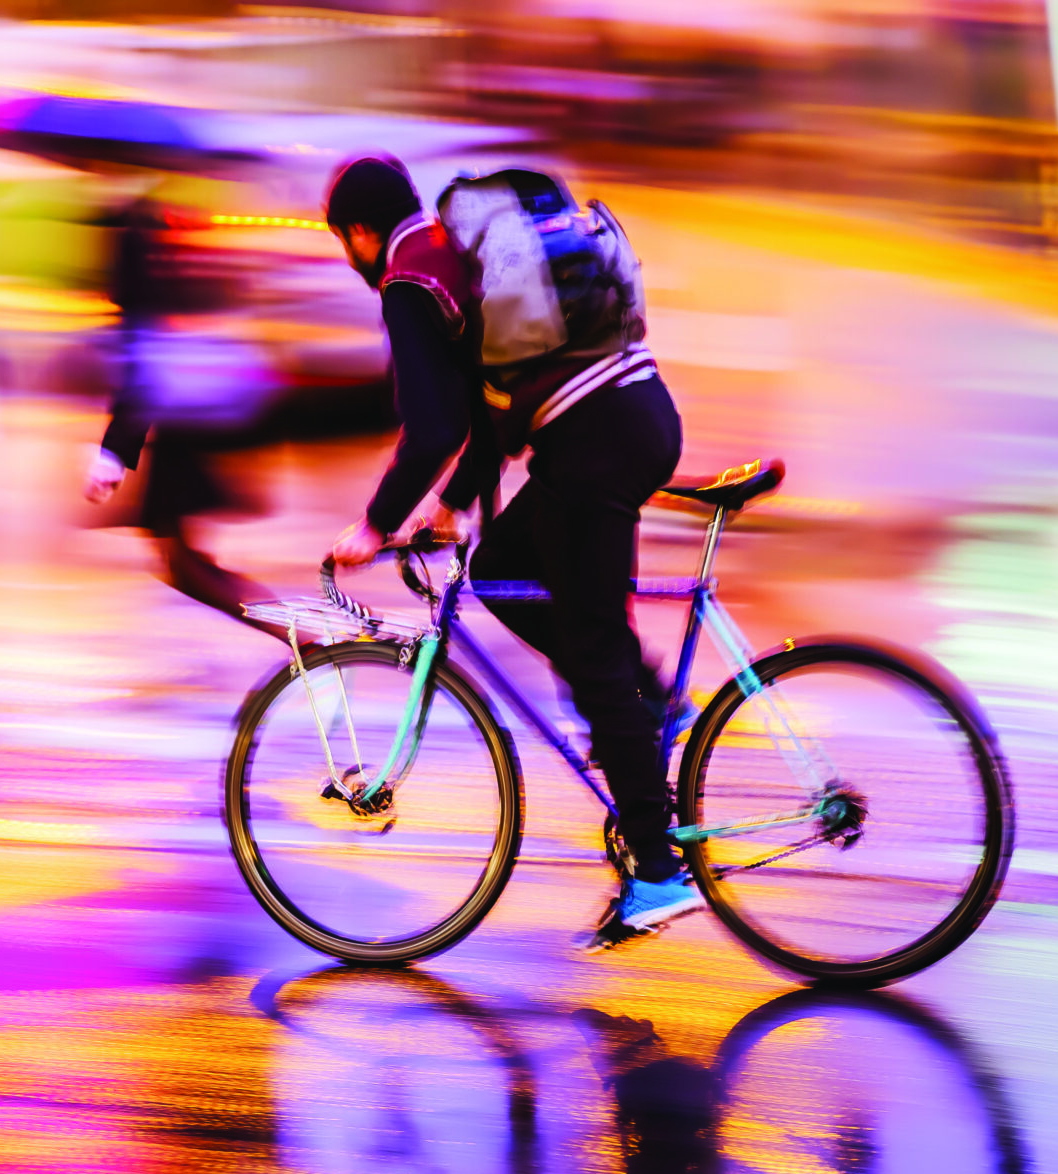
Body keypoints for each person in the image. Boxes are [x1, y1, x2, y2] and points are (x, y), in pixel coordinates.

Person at [322, 155, 697, 933]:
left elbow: (434, 426)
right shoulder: (458, 258)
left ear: (360, 234)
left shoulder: (408, 282)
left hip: (595, 440)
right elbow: (491, 412)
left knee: (594, 658)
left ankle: (659, 873)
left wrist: (375, 524)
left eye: (346, 245)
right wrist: (456, 506)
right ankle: (650, 708)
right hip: (630, 414)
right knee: (499, 569)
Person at [82, 194, 282, 640]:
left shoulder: (138, 285)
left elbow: (139, 382)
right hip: (189, 430)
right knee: (182, 562)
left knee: (183, 565)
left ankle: (295, 632)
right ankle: (290, 629)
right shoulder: (163, 278)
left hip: (184, 436)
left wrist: (110, 458)